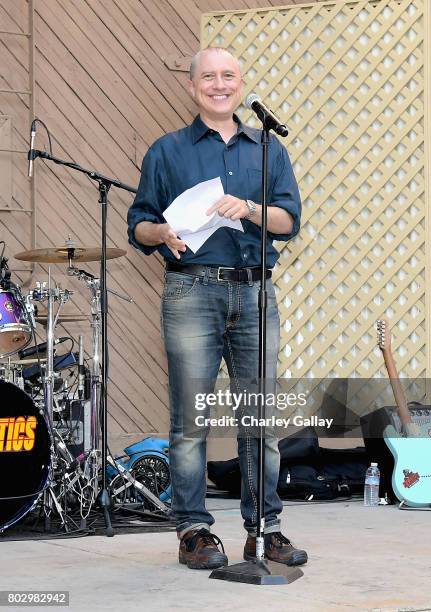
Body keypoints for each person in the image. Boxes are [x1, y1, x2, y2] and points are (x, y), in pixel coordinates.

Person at [127, 47, 307, 570]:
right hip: (191, 292)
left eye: (228, 75)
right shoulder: (167, 151)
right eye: (209, 77)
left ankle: (265, 528)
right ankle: (194, 531)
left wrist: (249, 209)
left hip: (255, 292)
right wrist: (161, 231)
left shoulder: (268, 148)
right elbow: (138, 224)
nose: (219, 84)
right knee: (191, 420)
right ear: (192, 87)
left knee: (260, 420)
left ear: (241, 83)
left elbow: (288, 222)